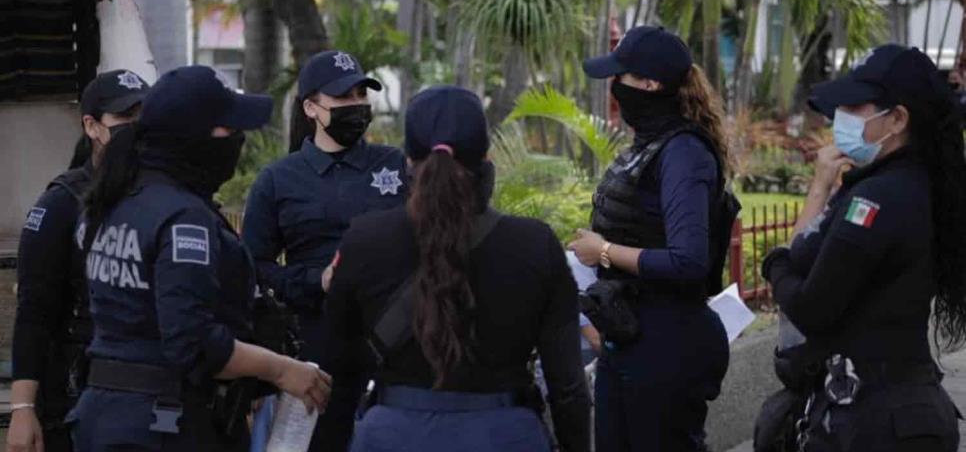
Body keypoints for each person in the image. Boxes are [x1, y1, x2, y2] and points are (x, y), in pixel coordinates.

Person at [67, 66, 331, 451]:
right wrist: (283, 370)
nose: (238, 139)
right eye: (229, 128)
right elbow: (192, 342)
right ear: (195, 140)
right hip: (161, 425)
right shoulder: (182, 218)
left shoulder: (114, 200)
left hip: (109, 414)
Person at [323, 86, 591, 452]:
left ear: (408, 162)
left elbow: (339, 364)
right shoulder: (536, 245)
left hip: (392, 436)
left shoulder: (364, 239)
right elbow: (568, 386)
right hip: (506, 436)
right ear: (487, 158)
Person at [760, 45, 965, 451]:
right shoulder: (901, 181)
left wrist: (774, 265)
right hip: (898, 407)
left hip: (877, 421)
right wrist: (819, 187)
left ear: (897, 119)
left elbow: (811, 306)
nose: (841, 119)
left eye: (855, 107)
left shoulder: (879, 197)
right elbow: (805, 254)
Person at [569, 25, 732, 451]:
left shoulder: (683, 152)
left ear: (648, 85)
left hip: (666, 341)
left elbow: (688, 259)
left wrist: (602, 250)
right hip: (629, 333)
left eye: (619, 77)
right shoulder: (651, 144)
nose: (614, 87)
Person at [242, 50, 407, 451]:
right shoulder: (279, 180)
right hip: (315, 354)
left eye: (360, 95)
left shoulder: (396, 165)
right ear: (312, 108)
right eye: (342, 97)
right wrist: (316, 281)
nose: (356, 106)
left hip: (397, 346)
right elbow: (253, 268)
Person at [8, 70, 150, 452]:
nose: (137, 129)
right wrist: (23, 408)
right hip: (75, 391)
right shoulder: (63, 202)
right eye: (125, 118)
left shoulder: (161, 196)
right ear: (92, 126)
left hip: (146, 393)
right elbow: (34, 311)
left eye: (144, 117)